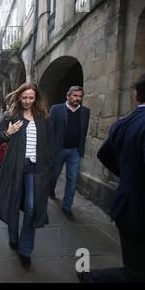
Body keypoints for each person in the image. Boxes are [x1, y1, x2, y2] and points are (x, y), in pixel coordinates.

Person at [78, 72, 145, 283]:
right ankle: (91, 278)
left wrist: (130, 176)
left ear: (137, 96)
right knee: (139, 274)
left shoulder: (124, 122)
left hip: (129, 208)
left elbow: (105, 154)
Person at [0, 83, 52, 268]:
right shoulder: (11, 115)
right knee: (12, 202)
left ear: (36, 99)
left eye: (31, 98)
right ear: (19, 97)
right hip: (15, 166)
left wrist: (49, 164)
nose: (27, 101)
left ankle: (25, 249)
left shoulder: (42, 117)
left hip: (36, 168)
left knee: (31, 208)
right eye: (24, 97)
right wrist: (8, 132)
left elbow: (48, 142)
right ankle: (13, 236)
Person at [49, 86, 90, 221]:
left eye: (80, 96)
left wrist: (80, 149)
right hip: (58, 149)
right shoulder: (56, 109)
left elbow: (83, 132)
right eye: (75, 96)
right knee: (54, 174)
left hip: (74, 151)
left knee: (72, 180)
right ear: (68, 96)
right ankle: (51, 189)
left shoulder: (85, 112)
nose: (77, 98)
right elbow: (50, 129)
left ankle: (67, 207)